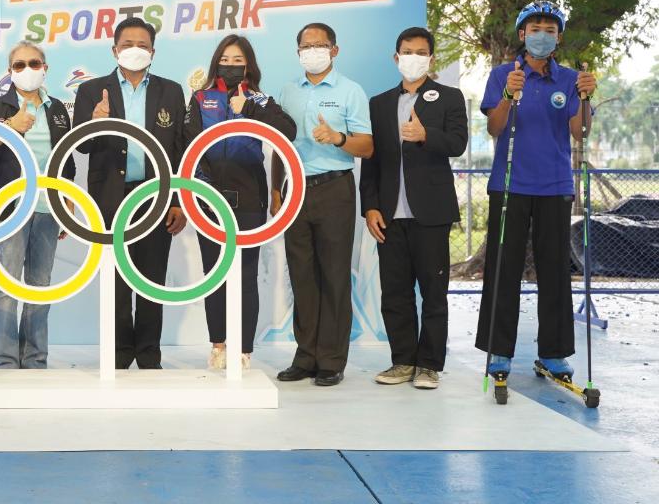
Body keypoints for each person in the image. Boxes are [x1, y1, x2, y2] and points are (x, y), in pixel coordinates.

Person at [475, 1, 597, 385]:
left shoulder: (569, 79)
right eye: (535, 29)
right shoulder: (503, 74)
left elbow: (580, 131)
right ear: (522, 34)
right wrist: (508, 95)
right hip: (509, 185)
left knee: (555, 270)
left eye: (550, 30)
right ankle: (499, 350)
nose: (542, 36)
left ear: (558, 38)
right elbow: (495, 128)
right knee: (503, 269)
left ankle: (553, 353)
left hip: (555, 186)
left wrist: (586, 98)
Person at [72, 16, 188, 370]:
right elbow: (81, 146)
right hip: (111, 197)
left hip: (156, 196)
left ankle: (149, 354)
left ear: (153, 51)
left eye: (142, 45)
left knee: (152, 278)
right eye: (127, 45)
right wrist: (94, 122)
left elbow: (180, 149)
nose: (134, 50)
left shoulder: (171, 91)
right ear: (114, 50)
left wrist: (178, 200)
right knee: (117, 280)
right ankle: (119, 354)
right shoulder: (92, 91)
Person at [360, 27, 467, 390]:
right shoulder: (378, 103)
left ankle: (429, 365)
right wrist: (370, 207)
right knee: (395, 293)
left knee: (434, 292)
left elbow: (458, 143)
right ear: (396, 57)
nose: (414, 58)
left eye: (421, 52)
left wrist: (426, 136)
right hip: (389, 215)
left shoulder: (449, 98)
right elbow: (371, 161)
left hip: (431, 213)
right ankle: (403, 361)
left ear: (431, 58)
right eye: (407, 52)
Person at [183, 34, 296, 369]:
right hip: (208, 196)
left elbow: (287, 131)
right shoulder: (201, 97)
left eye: (238, 60)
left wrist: (247, 109)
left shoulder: (260, 99)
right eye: (225, 60)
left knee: (246, 275)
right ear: (216, 63)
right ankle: (218, 345)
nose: (230, 66)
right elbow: (189, 145)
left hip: (249, 196)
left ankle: (243, 349)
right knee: (214, 274)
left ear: (249, 65)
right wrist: (200, 187)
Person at [273, 22, 373, 387]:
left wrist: (337, 137)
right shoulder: (287, 91)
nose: (312, 51)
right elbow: (278, 144)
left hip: (334, 189)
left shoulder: (350, 91)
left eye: (320, 45)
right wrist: (276, 189)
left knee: (333, 275)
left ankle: (331, 360)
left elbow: (367, 146)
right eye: (306, 46)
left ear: (334, 49)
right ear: (298, 51)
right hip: (294, 190)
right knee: (301, 275)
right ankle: (305, 356)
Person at [0, 41, 75, 369]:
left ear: (45, 68)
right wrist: (9, 127)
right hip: (10, 207)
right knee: (6, 286)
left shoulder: (57, 109)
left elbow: (66, 157)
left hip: (48, 207)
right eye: (19, 65)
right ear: (10, 71)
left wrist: (67, 200)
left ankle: (34, 359)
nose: (27, 69)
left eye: (34, 63)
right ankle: (3, 360)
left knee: (40, 286)